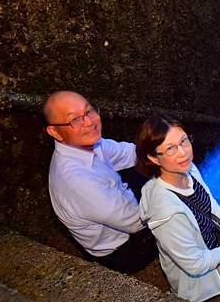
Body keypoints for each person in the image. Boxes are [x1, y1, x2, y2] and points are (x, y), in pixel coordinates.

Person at [136, 114, 220, 302]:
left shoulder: (188, 169)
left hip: (212, 239)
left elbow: (213, 208)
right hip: (200, 280)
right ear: (153, 158)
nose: (183, 152)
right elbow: (196, 265)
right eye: (170, 148)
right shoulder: (165, 210)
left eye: (184, 140)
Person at [44, 90, 158, 273]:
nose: (89, 122)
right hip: (124, 250)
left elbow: (128, 153)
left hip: (116, 205)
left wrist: (166, 154)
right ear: (54, 132)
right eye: (74, 120)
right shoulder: (77, 180)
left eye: (88, 111)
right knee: (175, 211)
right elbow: (136, 222)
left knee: (152, 168)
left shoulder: (85, 143)